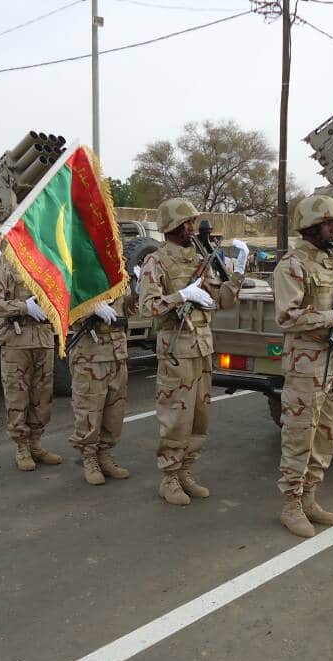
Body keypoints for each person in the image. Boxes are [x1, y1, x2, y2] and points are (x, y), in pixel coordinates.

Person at [138, 199, 247, 505]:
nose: (192, 227)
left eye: (192, 222)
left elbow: (224, 302)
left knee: (200, 417)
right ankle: (169, 478)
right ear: (171, 226)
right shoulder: (156, 261)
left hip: (202, 348)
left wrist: (235, 274)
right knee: (176, 418)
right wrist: (182, 295)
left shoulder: (201, 258)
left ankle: (186, 471)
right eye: (186, 222)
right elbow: (149, 307)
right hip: (176, 350)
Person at [273, 194, 333, 538]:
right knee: (299, 436)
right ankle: (290, 506)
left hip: (331, 365)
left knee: (325, 436)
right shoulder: (291, 265)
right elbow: (287, 317)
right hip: (305, 368)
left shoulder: (329, 264)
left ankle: (309, 497)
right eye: (329, 223)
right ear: (310, 226)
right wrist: (331, 316)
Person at [0, 257, 63, 470]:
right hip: (17, 340)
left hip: (44, 338)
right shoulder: (4, 271)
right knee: (17, 394)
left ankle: (36, 444)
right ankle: (22, 447)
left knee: (43, 395)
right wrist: (23, 307)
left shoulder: (46, 269)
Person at [68, 284, 138, 485]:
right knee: (89, 410)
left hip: (117, 353)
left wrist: (137, 292)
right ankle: (89, 458)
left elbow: (128, 310)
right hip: (91, 354)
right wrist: (92, 308)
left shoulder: (116, 274)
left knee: (114, 411)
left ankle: (105, 455)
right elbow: (65, 308)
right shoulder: (79, 273)